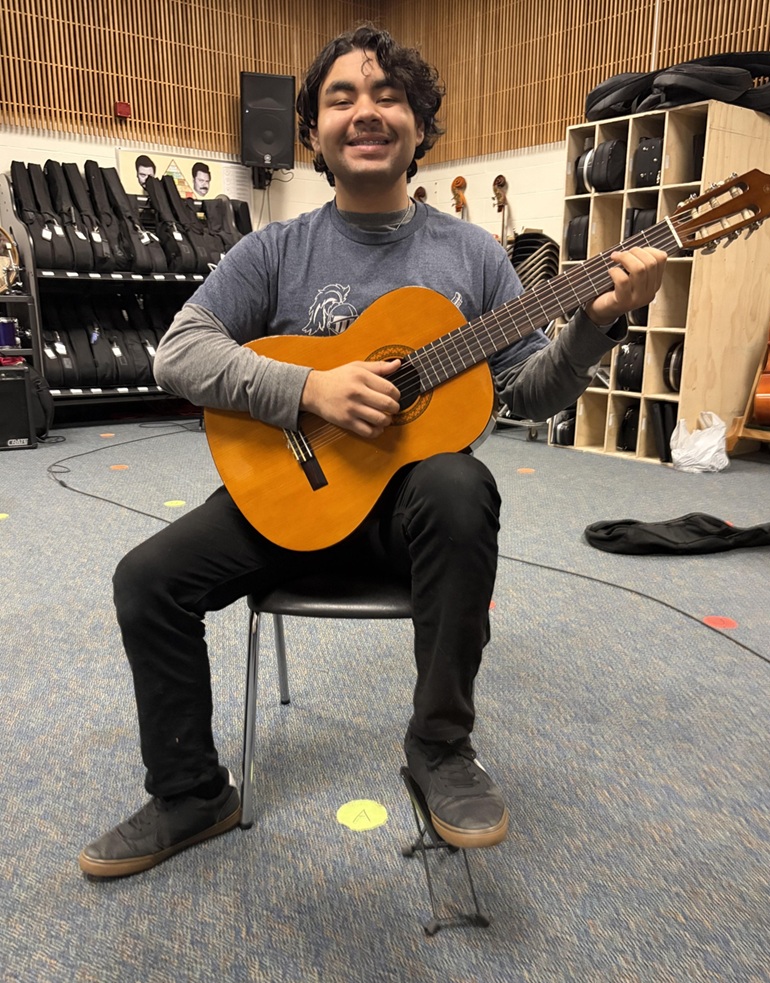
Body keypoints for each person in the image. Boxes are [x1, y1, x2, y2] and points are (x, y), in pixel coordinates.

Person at [79, 25, 666, 878]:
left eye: (388, 95)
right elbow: (178, 352)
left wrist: (596, 321)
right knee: (145, 580)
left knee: (461, 481)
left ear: (419, 125)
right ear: (313, 132)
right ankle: (191, 793)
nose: (366, 111)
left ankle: (438, 749)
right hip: (292, 495)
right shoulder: (276, 247)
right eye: (342, 97)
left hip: (411, 520)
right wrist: (308, 390)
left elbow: (529, 391)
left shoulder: (472, 257)